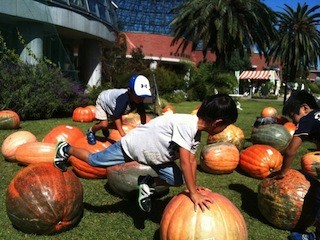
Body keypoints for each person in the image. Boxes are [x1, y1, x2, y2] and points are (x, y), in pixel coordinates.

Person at [53, 93, 238, 213]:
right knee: (94, 161)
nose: (224, 129)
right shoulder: (186, 125)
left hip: (156, 156)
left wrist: (194, 187)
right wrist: (193, 194)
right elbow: (184, 161)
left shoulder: (196, 133)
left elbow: (191, 161)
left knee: (178, 179)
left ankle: (147, 184)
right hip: (131, 147)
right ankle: (66, 148)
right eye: (226, 125)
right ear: (217, 122)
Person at [272, 90, 320, 240]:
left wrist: (282, 172)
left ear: (305, 108)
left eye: (294, 117)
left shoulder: (307, 119)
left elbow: (291, 151)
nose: (294, 123)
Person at [86, 74, 152, 145]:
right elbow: (116, 117)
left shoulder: (139, 100)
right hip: (103, 101)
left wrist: (143, 129)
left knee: (116, 126)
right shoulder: (123, 99)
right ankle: (91, 131)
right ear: (130, 91)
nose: (141, 99)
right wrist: (123, 134)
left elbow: (142, 115)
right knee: (104, 124)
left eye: (143, 96)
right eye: (138, 95)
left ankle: (104, 127)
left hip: (113, 105)